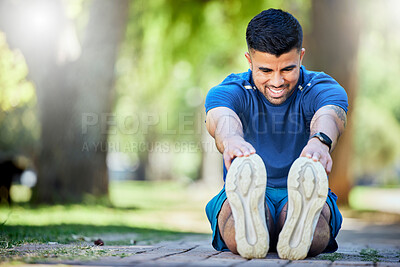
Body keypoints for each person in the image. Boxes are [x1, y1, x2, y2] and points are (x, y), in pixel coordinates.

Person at [204, 8, 348, 260]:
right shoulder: (230, 89)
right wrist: (232, 140)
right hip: (244, 188)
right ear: (249, 61)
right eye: (266, 71)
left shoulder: (321, 87)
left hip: (306, 189)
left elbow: (330, 115)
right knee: (236, 219)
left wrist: (320, 141)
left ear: (301, 57)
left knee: (313, 229)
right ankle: (259, 217)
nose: (278, 82)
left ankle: (292, 220)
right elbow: (221, 118)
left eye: (287, 69)